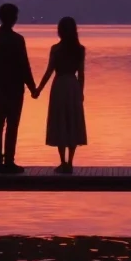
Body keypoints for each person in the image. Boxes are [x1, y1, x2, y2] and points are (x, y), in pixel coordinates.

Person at [0, 2, 37, 173]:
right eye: (15, 16)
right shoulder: (17, 40)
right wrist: (32, 87)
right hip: (14, 88)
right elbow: (24, 65)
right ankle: (9, 161)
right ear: (13, 18)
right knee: (12, 125)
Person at [34, 16, 87, 173]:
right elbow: (81, 74)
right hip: (72, 86)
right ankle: (70, 162)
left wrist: (38, 89)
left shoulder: (55, 49)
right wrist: (81, 92)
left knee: (60, 121)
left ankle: (62, 162)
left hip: (59, 86)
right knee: (72, 121)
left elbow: (49, 71)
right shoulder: (80, 49)